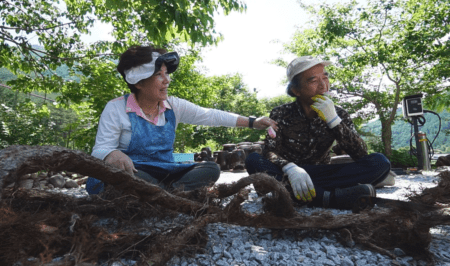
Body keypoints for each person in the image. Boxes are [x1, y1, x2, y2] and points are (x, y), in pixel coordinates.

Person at [86, 45, 278, 194]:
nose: (167, 80)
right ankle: (171, 194)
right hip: (135, 172)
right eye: (158, 75)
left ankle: (160, 195)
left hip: (165, 172)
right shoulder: (116, 108)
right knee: (133, 179)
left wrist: (252, 122)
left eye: (166, 73)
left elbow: (211, 115)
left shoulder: (174, 105)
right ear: (138, 82)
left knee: (211, 169)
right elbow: (99, 150)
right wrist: (112, 154)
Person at [245, 56, 391, 210]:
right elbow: (270, 151)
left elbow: (361, 154)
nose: (323, 86)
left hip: (324, 174)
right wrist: (290, 168)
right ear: (296, 90)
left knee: (380, 163)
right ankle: (331, 197)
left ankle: (296, 194)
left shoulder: (338, 113)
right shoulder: (281, 113)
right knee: (253, 160)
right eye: (313, 81)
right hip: (288, 173)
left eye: (325, 77)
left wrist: (333, 120)